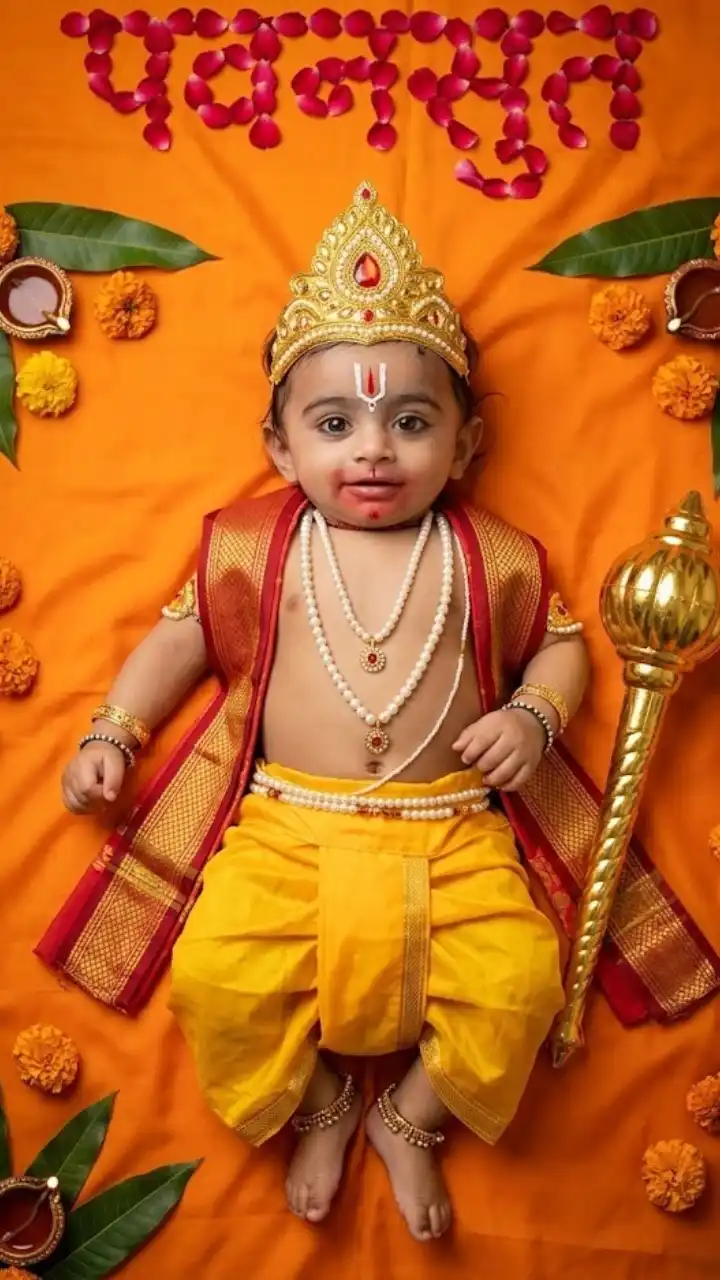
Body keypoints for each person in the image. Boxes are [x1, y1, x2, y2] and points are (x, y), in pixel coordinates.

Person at [41, 182, 717, 1242]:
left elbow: (564, 644)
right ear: (279, 448)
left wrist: (536, 716)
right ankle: (321, 1105)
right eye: (334, 423)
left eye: (410, 421)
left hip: (451, 831)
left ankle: (410, 1116)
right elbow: (179, 640)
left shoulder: (493, 556)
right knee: (213, 979)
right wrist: (110, 733)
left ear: (466, 443)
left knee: (521, 983)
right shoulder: (251, 546)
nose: (372, 449)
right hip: (285, 828)